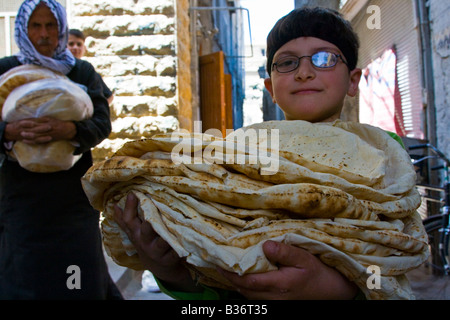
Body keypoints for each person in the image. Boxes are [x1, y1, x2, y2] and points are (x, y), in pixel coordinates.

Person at [113, 7, 403, 299]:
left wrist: (338, 290)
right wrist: (173, 274)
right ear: (270, 88)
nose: (304, 72)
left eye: (324, 58)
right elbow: (222, 279)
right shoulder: (238, 154)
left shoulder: (384, 154)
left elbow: (395, 258)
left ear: (353, 80)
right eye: (287, 63)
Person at [0, 0, 121, 299]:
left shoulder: (80, 72)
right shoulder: (6, 70)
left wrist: (70, 130)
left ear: (61, 30)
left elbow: (102, 123)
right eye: (36, 26)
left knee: (77, 276)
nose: (43, 34)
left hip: (72, 200)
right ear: (23, 30)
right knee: (25, 278)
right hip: (22, 200)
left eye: (50, 25)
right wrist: (10, 131)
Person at [67, 28, 114, 105]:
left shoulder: (88, 72)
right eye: (71, 44)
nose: (75, 47)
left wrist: (96, 110)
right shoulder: (59, 69)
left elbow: (109, 96)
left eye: (79, 44)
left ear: (84, 48)